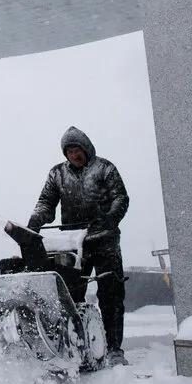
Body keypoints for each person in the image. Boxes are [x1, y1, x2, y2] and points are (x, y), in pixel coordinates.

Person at [27, 126, 130, 366]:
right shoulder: (57, 174)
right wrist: (36, 221)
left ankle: (115, 349)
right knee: (71, 296)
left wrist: (110, 218)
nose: (74, 155)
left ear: (87, 149)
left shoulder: (105, 168)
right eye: (69, 151)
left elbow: (121, 198)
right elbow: (46, 203)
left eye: (77, 150)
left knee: (111, 295)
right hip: (74, 243)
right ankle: (77, 346)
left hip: (105, 240)